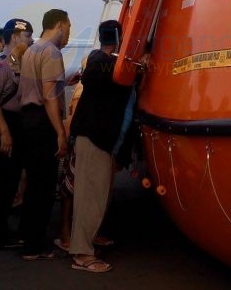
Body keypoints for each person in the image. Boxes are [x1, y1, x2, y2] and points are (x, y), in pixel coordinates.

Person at [69, 20, 132, 273]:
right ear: (118, 37)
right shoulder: (100, 62)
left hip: (102, 140)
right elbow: (95, 73)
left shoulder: (105, 63)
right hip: (94, 138)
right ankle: (82, 253)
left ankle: (89, 239)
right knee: (89, 197)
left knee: (99, 194)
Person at [18, 9, 71, 260]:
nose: (69, 32)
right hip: (42, 122)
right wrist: (60, 132)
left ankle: (28, 238)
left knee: (33, 183)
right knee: (44, 185)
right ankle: (35, 245)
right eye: (69, 27)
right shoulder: (52, 52)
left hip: (28, 119)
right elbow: (49, 95)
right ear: (60, 24)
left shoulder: (32, 50)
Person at [0, 18, 33, 249]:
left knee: (9, 181)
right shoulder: (1, 65)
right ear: (14, 37)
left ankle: (0, 230)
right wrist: (4, 132)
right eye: (28, 36)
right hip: (1, 125)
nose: (31, 40)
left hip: (13, 124)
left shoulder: (17, 63)